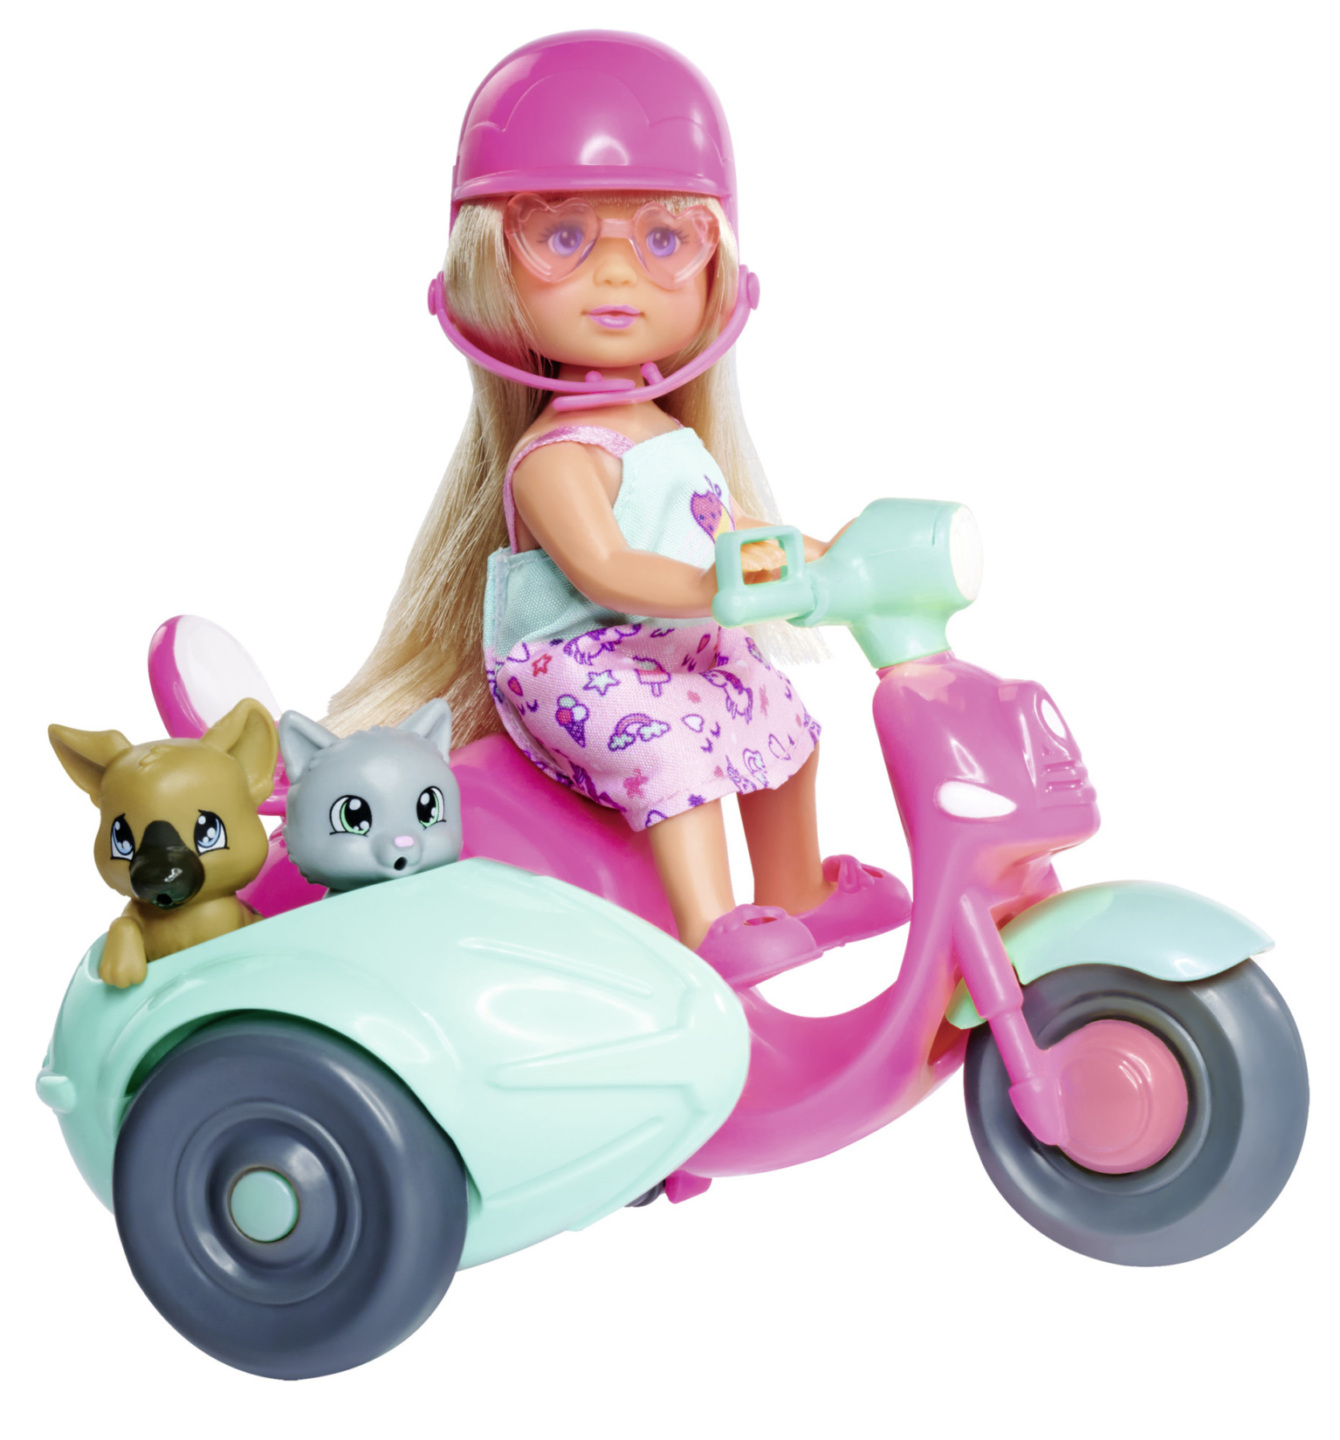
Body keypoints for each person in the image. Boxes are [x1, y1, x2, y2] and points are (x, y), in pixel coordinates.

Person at [329, 31, 903, 974]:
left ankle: (796, 888)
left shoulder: (669, 432)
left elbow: (727, 529)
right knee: (679, 752)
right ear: (486, 264)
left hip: (669, 640)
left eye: (664, 241)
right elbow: (607, 570)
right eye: (563, 238)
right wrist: (716, 589)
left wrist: (822, 556)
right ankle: (711, 926)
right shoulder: (558, 455)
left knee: (785, 722)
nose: (615, 274)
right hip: (579, 660)